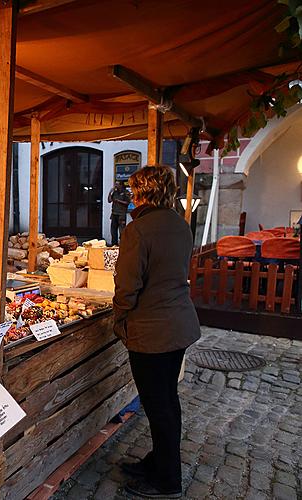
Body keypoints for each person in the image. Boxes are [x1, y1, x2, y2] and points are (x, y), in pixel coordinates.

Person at [113, 165, 200, 499]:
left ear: (142, 192)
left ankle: (167, 480)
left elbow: (128, 287)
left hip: (152, 332)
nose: (131, 195)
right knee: (167, 401)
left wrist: (119, 319)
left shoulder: (139, 229)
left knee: (158, 405)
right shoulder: (181, 225)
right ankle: (160, 462)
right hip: (177, 326)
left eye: (134, 189)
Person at [108, 180, 130, 245]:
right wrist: (110, 193)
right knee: (113, 231)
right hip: (114, 214)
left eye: (117, 184)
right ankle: (114, 244)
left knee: (122, 231)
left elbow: (127, 202)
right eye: (115, 184)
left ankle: (122, 244)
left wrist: (119, 201)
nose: (115, 185)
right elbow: (109, 200)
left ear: (121, 185)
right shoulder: (115, 192)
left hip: (121, 214)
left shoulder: (126, 192)